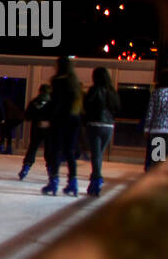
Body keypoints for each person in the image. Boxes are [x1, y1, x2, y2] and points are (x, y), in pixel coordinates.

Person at [42, 56, 83, 196]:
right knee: (70, 152)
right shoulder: (74, 81)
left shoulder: (57, 81)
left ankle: (53, 182)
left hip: (60, 120)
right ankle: (73, 183)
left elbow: (56, 102)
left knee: (56, 151)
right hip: (73, 120)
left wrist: (50, 118)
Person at [82, 67, 122, 196]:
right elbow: (117, 108)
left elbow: (86, 106)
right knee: (99, 154)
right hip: (108, 126)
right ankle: (95, 180)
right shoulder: (112, 92)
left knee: (96, 154)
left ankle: (97, 179)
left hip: (94, 125)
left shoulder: (93, 90)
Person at [144, 69, 168, 171]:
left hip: (157, 130)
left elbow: (150, 112)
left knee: (157, 161)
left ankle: (156, 183)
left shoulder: (156, 93)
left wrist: (147, 129)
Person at [17, 84, 53, 180]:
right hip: (48, 130)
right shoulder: (51, 103)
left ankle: (25, 169)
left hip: (36, 128)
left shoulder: (34, 102)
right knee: (49, 150)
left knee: (32, 148)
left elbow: (27, 116)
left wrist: (36, 119)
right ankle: (51, 172)